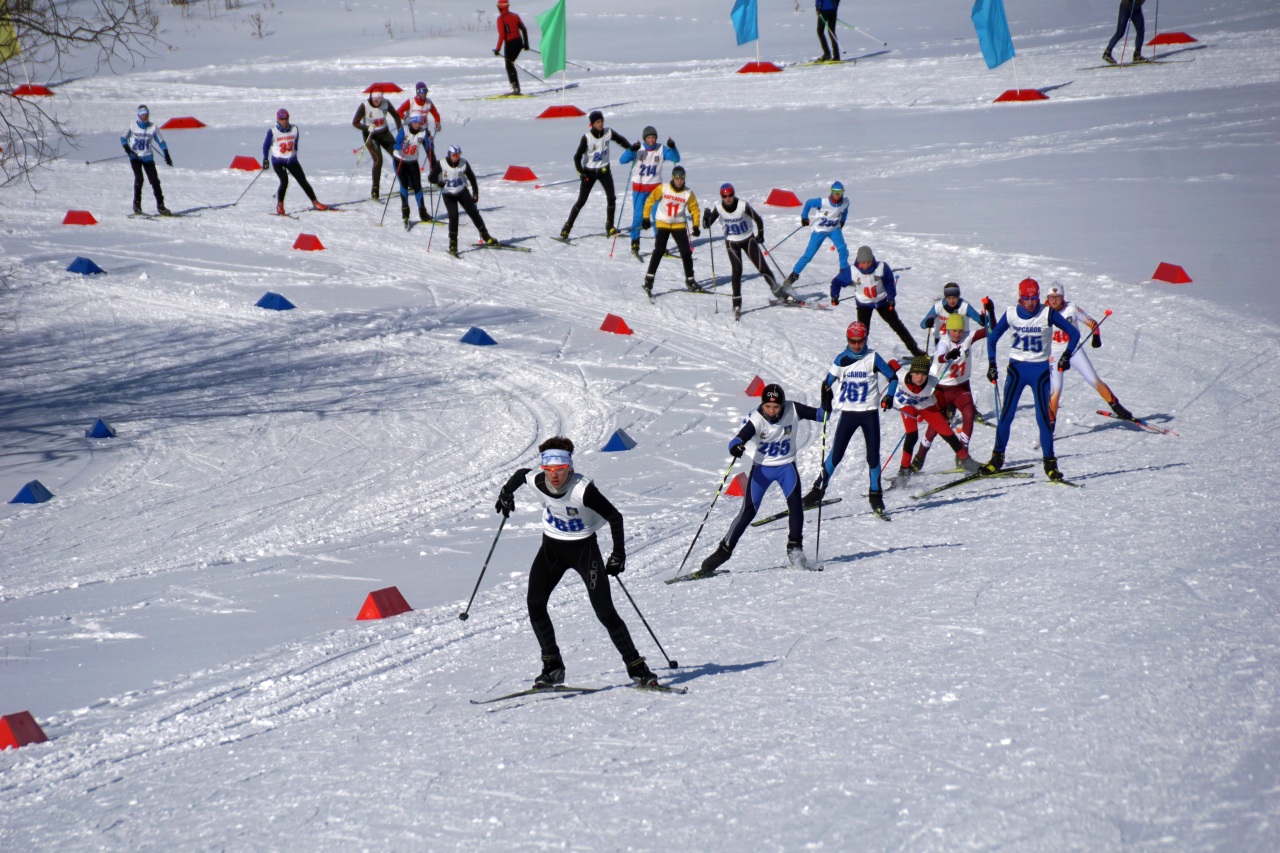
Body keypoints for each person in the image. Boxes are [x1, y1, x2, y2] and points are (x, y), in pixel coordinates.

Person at [494, 436, 660, 689]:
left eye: (559, 470)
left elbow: (615, 517)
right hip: (551, 548)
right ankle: (553, 667)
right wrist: (506, 493)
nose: (553, 476)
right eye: (548, 469)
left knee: (605, 612)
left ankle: (637, 668)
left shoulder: (583, 490)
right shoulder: (537, 479)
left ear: (569, 468)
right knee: (535, 604)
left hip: (584, 550)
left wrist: (618, 555)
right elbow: (520, 475)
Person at [697, 384, 824, 575]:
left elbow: (822, 416)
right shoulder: (757, 419)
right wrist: (736, 447)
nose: (771, 412)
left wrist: (827, 401)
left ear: (782, 405)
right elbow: (737, 439)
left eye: (776, 407)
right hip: (762, 470)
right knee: (748, 511)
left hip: (786, 467)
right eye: (767, 407)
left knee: (796, 506)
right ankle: (723, 551)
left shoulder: (793, 409)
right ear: (762, 405)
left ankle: (795, 549)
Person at [980, 278, 1080, 482]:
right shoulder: (1010, 313)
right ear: (1020, 297)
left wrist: (1067, 355)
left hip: (1040, 371)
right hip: (1017, 369)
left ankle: (1050, 464)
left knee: (1043, 419)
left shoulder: (1047, 312)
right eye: (1027, 298)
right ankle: (996, 458)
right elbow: (992, 338)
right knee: (1006, 415)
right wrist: (992, 365)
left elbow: (1074, 333)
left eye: (1034, 298)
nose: (1031, 302)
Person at [802, 321, 897, 515]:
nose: (856, 345)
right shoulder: (841, 359)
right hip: (849, 413)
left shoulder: (872, 357)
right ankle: (817, 491)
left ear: (865, 340)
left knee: (872, 456)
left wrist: (889, 396)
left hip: (869, 413)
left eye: (859, 341)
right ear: (847, 340)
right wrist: (825, 401)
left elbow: (893, 378)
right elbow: (826, 383)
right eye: (852, 342)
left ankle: (875, 494)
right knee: (835, 454)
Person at [1044, 283, 1135, 426]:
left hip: (1073, 350)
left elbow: (1092, 323)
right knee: (1056, 389)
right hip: (1054, 354)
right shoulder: (1043, 312)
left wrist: (1096, 336)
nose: (1054, 300)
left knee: (1094, 380)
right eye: (1051, 297)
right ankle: (1050, 424)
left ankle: (1116, 407)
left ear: (1063, 297)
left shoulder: (1071, 308)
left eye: (1058, 297)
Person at [702, 183, 796, 320]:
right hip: (732, 242)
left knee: (762, 267)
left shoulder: (742, 205)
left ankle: (778, 292)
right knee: (737, 270)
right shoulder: (718, 208)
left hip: (748, 239)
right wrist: (706, 217)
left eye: (730, 195)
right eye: (725, 196)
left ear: (733, 194)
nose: (728, 198)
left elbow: (758, 219)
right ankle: (736, 303)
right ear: (721, 196)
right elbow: (707, 226)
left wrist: (761, 234)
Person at [885, 355, 981, 481]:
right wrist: (888, 375)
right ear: (911, 372)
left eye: (923, 374)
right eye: (917, 374)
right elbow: (891, 362)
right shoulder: (901, 375)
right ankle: (904, 470)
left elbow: (940, 397)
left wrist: (943, 411)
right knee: (912, 435)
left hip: (925, 406)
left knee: (947, 433)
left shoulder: (932, 383)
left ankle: (966, 460)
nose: (920, 378)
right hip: (906, 405)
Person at [915, 313, 988, 471]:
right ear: (948, 330)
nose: (957, 334)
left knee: (969, 414)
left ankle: (963, 456)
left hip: (961, 388)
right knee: (938, 424)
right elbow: (941, 356)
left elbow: (990, 330)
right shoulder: (944, 342)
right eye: (954, 331)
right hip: (942, 388)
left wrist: (990, 314)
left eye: (960, 331)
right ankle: (919, 459)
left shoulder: (967, 338)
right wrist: (948, 355)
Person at [832, 245, 924, 357]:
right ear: (859, 261)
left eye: (868, 262)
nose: (866, 265)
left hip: (882, 301)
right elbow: (836, 282)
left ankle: (915, 350)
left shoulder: (881, 267)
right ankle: (860, 354)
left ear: (872, 259)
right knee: (863, 331)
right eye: (863, 263)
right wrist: (835, 296)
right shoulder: (852, 271)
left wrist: (891, 298)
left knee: (897, 325)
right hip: (864, 304)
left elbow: (890, 283)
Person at [560, 111, 632, 240]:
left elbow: (621, 140)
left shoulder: (608, 132)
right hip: (589, 173)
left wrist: (632, 149)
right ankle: (567, 227)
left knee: (611, 197)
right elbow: (577, 158)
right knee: (581, 201)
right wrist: (581, 173)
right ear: (592, 124)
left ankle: (610, 226)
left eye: (601, 121)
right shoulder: (587, 138)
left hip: (604, 171)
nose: (600, 124)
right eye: (597, 122)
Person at [641, 165, 702, 296]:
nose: (679, 181)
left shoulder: (688, 193)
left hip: (678, 224)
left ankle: (690, 280)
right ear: (673, 178)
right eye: (677, 178)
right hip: (662, 222)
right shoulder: (664, 188)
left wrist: (696, 226)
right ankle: (649, 280)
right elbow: (650, 200)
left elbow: (695, 209)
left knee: (686, 252)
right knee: (659, 250)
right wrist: (646, 217)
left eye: (682, 178)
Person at [617, 125, 679, 256]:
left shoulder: (661, 149)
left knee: (658, 216)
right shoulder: (638, 149)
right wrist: (630, 150)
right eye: (649, 137)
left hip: (655, 189)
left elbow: (675, 158)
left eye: (654, 137)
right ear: (645, 138)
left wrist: (673, 147)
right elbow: (622, 160)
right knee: (638, 216)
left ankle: (660, 244)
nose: (651, 140)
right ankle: (635, 241)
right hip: (639, 188)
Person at [428, 144, 498, 256]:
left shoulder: (463, 163)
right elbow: (431, 177)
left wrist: (475, 193)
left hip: (462, 192)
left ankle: (486, 236)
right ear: (449, 154)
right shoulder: (441, 163)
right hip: (448, 194)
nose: (456, 157)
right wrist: (439, 182)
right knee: (454, 216)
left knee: (474, 213)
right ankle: (453, 243)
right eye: (454, 155)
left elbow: (472, 177)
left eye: (458, 155)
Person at [262, 108, 328, 215]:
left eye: (286, 119)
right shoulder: (273, 132)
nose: (284, 121)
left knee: (303, 181)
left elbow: (295, 144)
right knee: (284, 181)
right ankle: (280, 205)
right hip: (278, 161)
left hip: (291, 160)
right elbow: (265, 147)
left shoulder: (294, 129)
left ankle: (315, 202)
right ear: (278, 119)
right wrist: (265, 158)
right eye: (282, 119)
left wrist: (293, 155)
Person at [783, 182, 848, 287]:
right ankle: (792, 277)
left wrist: (843, 221)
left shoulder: (845, 202)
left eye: (840, 193)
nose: (838, 195)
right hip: (820, 231)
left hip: (834, 229)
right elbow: (808, 203)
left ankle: (844, 274)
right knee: (808, 255)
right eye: (835, 192)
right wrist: (804, 217)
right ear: (831, 192)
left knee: (843, 249)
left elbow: (845, 210)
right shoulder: (823, 202)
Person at [352, 88, 402, 201]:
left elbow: (396, 116)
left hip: (384, 134)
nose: (377, 102)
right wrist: (366, 127)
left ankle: (406, 182)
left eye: (379, 99)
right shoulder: (365, 105)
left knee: (398, 155)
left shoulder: (386, 103)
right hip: (371, 136)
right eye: (375, 99)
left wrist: (401, 131)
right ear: (371, 97)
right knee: (378, 160)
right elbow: (355, 122)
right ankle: (375, 190)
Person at [121, 105, 171, 216]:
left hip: (148, 158)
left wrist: (166, 154)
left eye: (147, 114)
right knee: (139, 178)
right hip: (135, 157)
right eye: (143, 114)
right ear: (139, 115)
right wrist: (127, 149)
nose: (145, 116)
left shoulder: (152, 127)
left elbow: (161, 142)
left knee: (155, 181)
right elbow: (123, 138)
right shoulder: (132, 125)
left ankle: (161, 206)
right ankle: (137, 205)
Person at [919, 282, 986, 350]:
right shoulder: (938, 307)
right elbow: (922, 325)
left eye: (954, 298)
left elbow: (982, 322)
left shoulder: (965, 306)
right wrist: (928, 322)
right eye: (949, 298)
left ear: (958, 296)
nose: (951, 301)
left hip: (961, 341)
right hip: (941, 340)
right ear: (945, 297)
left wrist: (983, 319)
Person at [393, 114, 433, 228]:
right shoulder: (404, 130)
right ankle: (405, 212)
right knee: (404, 184)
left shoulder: (423, 132)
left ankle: (423, 212)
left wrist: (430, 143)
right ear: (411, 122)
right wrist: (401, 146)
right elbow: (395, 145)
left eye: (419, 123)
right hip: (399, 160)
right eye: (415, 122)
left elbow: (428, 146)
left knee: (417, 186)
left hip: (412, 162)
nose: (417, 124)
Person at [492, 0, 530, 95]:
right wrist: (525, 44)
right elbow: (524, 29)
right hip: (519, 42)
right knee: (510, 63)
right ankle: (515, 87)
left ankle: (515, 87)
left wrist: (497, 49)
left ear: (500, 7)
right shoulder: (515, 16)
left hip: (510, 43)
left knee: (509, 64)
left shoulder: (501, 19)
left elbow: (502, 35)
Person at [1103, 0, 1148, 66]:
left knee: (1140, 30)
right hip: (1126, 8)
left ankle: (1137, 55)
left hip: (1136, 8)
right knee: (1120, 33)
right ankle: (1107, 53)